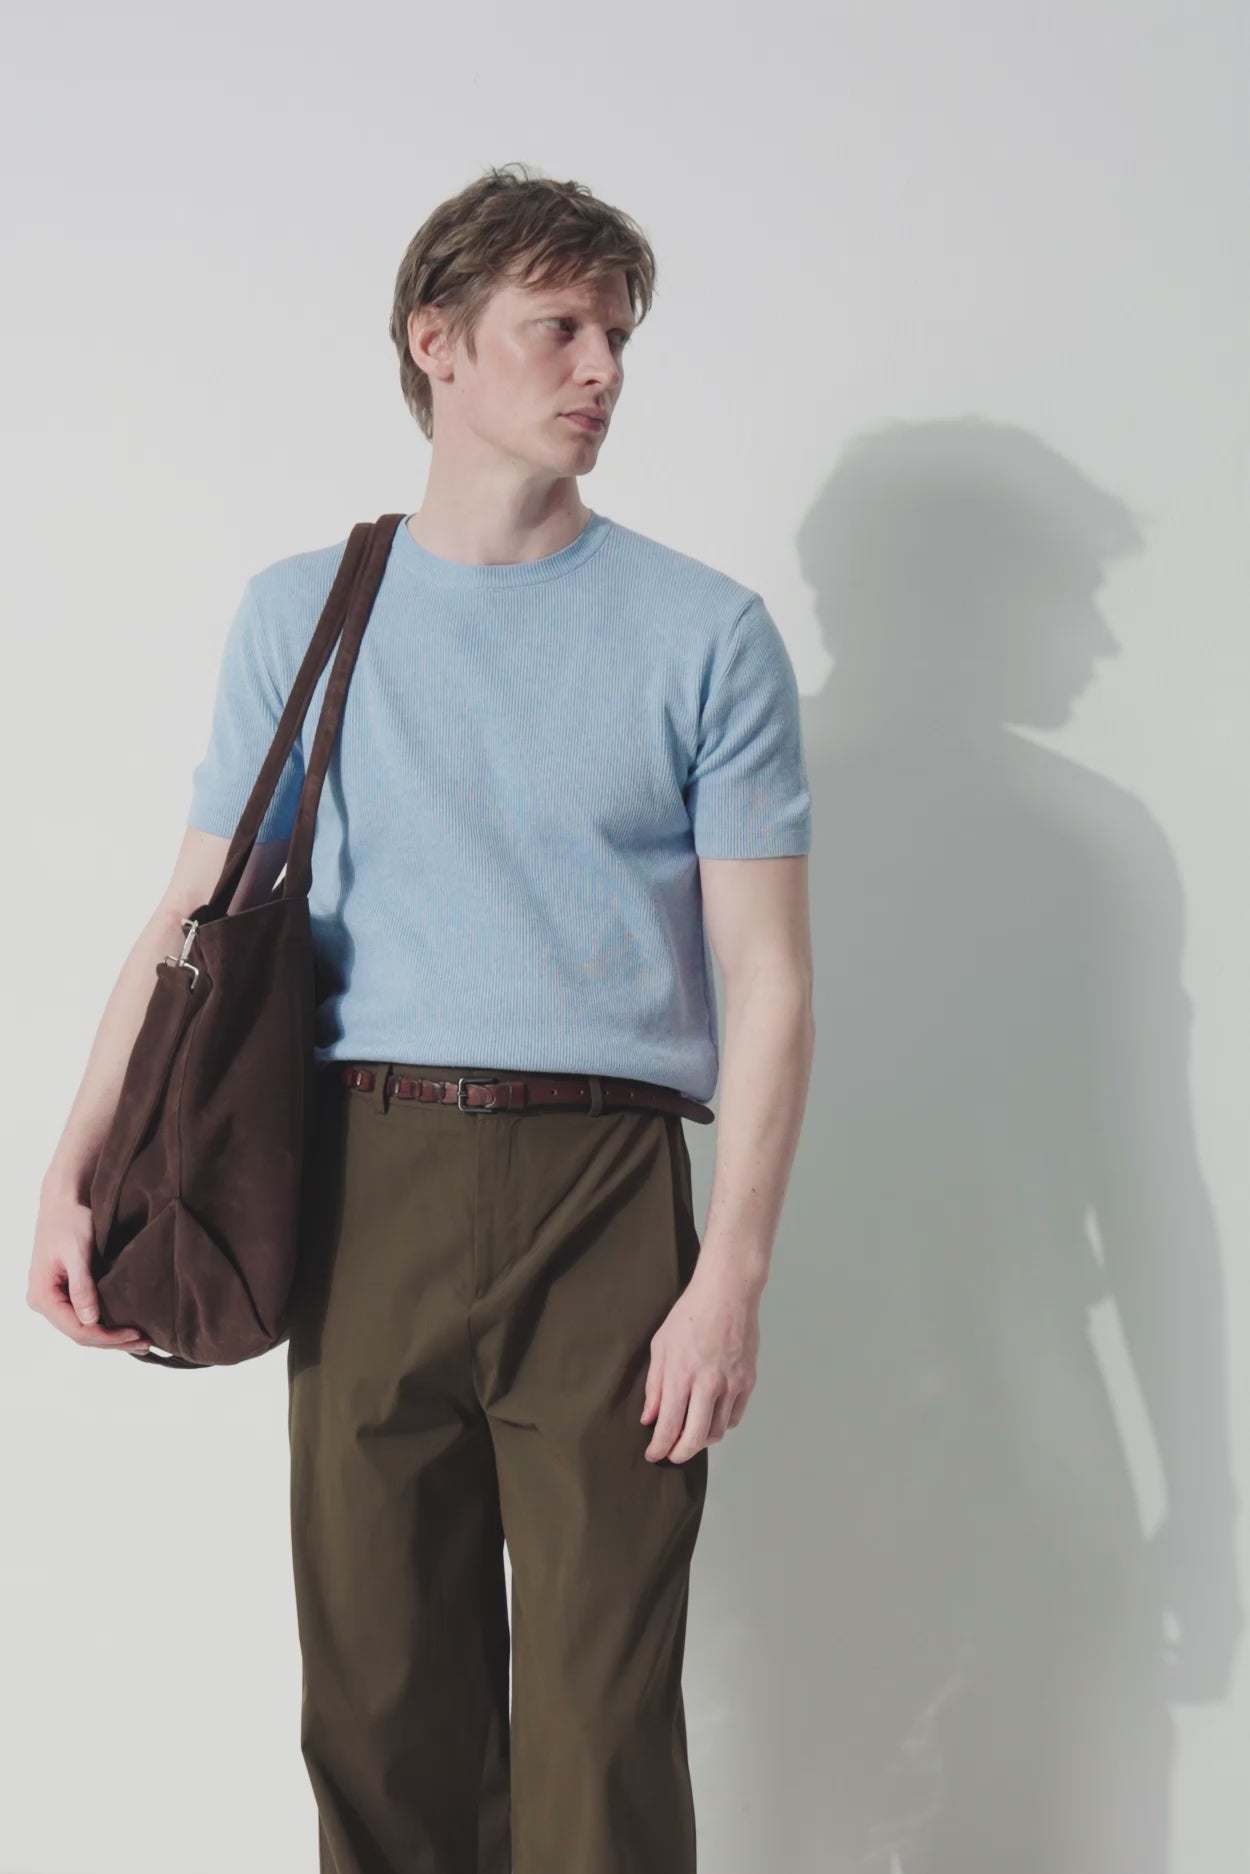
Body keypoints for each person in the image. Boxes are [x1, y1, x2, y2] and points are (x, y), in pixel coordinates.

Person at [28, 161, 815, 1874]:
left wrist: (730, 1275)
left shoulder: (705, 634)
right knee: (381, 1706)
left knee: (601, 1722)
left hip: (608, 1196)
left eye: (619, 335)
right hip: (359, 1180)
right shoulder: (307, 610)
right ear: (434, 340)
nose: (600, 367)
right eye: (560, 326)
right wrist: (77, 1164)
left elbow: (768, 976)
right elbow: (188, 914)